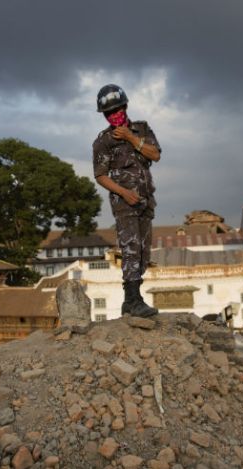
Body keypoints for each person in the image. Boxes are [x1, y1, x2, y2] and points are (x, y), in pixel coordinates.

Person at [92, 84, 161, 318]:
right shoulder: (103, 141)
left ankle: (132, 300)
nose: (114, 115)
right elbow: (100, 175)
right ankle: (133, 300)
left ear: (125, 106)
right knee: (130, 248)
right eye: (109, 113)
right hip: (124, 203)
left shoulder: (142, 129)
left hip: (146, 200)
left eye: (117, 109)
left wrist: (131, 138)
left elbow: (155, 154)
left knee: (142, 251)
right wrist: (123, 192)